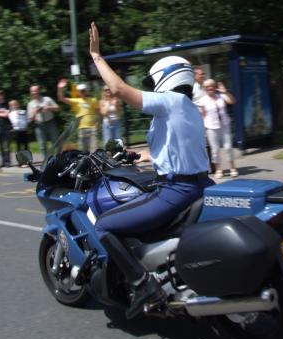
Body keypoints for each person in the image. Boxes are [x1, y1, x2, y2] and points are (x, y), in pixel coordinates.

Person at [89, 22, 213, 319]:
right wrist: (141, 156)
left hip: (176, 191)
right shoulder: (189, 107)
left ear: (164, 79)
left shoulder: (169, 102)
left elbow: (118, 89)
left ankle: (142, 284)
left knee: (104, 225)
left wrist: (96, 56)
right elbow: (178, 150)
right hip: (200, 184)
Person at [199, 79, 238, 179]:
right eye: (207, 87)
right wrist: (203, 129)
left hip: (224, 125)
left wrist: (225, 92)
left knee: (228, 147)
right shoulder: (203, 100)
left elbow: (232, 101)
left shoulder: (221, 96)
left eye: (211, 86)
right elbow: (203, 115)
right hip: (211, 127)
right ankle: (219, 169)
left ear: (214, 87)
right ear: (205, 89)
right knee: (215, 150)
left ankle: (232, 168)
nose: (210, 88)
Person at [56, 81, 100, 152]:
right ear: (78, 92)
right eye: (81, 91)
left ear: (86, 91)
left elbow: (99, 113)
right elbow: (61, 98)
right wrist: (60, 88)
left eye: (84, 91)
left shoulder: (93, 100)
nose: (83, 92)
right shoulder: (76, 101)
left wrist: (97, 124)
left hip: (92, 129)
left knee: (94, 150)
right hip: (82, 129)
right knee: (83, 150)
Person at [27, 85, 60, 160]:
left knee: (56, 142)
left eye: (35, 91)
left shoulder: (47, 99)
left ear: (39, 91)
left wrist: (49, 108)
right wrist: (35, 112)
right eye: (32, 91)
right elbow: (30, 119)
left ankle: (58, 159)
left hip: (50, 123)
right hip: (39, 125)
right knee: (42, 145)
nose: (34, 93)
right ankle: (46, 161)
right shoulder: (30, 104)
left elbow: (58, 108)